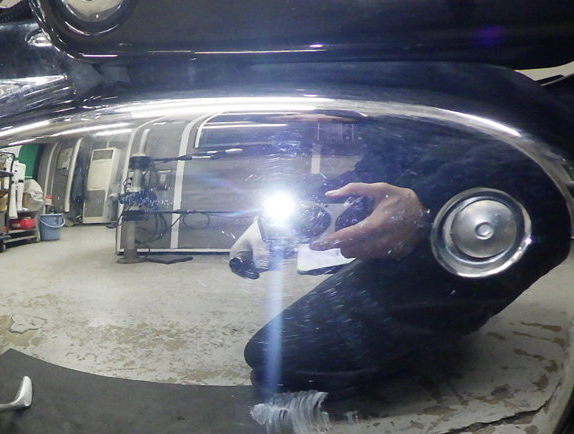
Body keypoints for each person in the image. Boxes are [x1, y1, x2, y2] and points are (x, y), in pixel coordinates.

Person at [244, 135, 571, 394]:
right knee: (273, 350)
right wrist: (313, 201)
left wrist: (428, 204)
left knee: (287, 357)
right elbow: (396, 147)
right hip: (447, 168)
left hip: (496, 206)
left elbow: (538, 142)